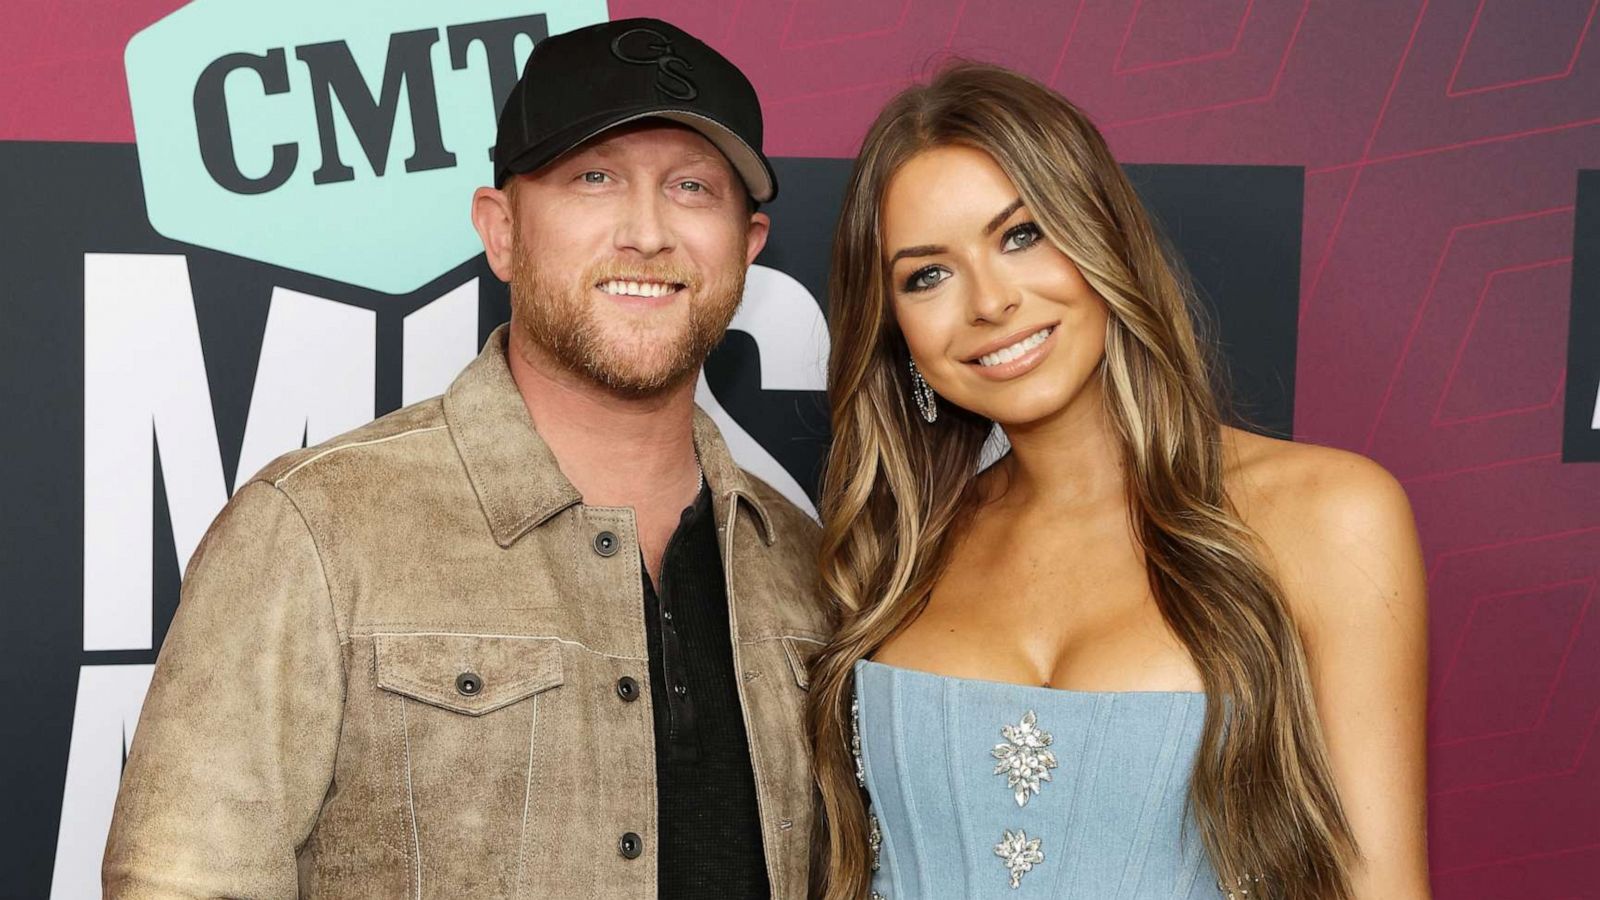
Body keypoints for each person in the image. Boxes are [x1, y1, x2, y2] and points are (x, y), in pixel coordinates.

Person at [104, 18, 830, 899]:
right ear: (503, 232)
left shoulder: (804, 565)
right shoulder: (316, 532)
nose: (647, 231)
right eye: (593, 179)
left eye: (692, 187)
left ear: (746, 249)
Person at [805, 64, 1430, 900]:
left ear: (1102, 236)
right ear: (895, 331)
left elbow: (1378, 886)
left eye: (1020, 235)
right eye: (928, 275)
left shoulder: (1330, 515)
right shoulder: (898, 549)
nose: (989, 302)